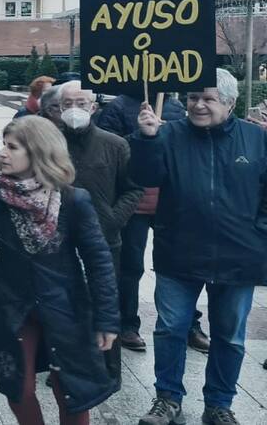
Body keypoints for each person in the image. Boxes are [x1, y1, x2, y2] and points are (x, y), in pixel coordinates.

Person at [0, 116, 119, 425]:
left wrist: (107, 320)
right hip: (14, 306)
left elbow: (99, 261)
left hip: (65, 307)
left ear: (39, 152)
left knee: (70, 387)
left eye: (12, 147)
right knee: (18, 386)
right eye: (4, 144)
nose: (3, 153)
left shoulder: (74, 201)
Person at [130, 69, 265, 425]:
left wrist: (258, 232)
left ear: (230, 102)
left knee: (230, 336)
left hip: (239, 258)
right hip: (179, 251)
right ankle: (167, 399)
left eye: (208, 98)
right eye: (192, 98)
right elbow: (143, 178)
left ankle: (219, 404)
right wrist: (145, 139)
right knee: (170, 329)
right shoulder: (167, 134)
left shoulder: (256, 139)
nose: (198, 105)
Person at [95, 91, 208, 355]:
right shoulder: (119, 106)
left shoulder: (177, 106)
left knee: (180, 265)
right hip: (134, 200)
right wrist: (141, 134)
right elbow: (107, 149)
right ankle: (127, 324)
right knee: (130, 265)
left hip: (171, 200)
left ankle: (189, 324)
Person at [56, 81, 143, 386]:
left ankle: (109, 369)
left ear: (93, 107)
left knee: (106, 304)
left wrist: (112, 220)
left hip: (106, 241)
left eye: (81, 103)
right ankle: (64, 366)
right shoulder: (50, 143)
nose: (74, 110)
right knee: (63, 304)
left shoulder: (115, 145)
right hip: (58, 242)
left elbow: (133, 190)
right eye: (67, 104)